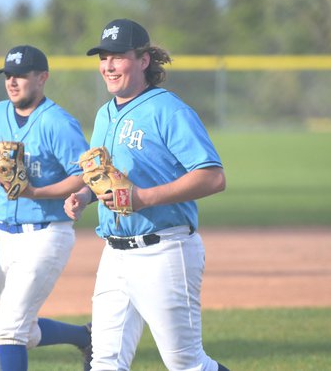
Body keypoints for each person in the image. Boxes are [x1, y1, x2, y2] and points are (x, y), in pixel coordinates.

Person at [64, 19, 231, 371]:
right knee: (104, 361)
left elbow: (213, 177)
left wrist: (143, 198)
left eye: (118, 57)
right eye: (103, 58)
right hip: (114, 253)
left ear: (143, 60)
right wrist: (85, 195)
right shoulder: (105, 113)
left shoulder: (168, 109)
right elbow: (106, 178)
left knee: (186, 363)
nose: (108, 66)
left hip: (164, 250)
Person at [0, 45, 92, 371]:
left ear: (42, 78)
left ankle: (87, 339)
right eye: (8, 75)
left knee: (8, 329)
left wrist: (37, 192)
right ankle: (87, 338)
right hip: (6, 236)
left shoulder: (57, 122)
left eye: (21, 76)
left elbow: (85, 175)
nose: (12, 82)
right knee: (21, 331)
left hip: (46, 233)